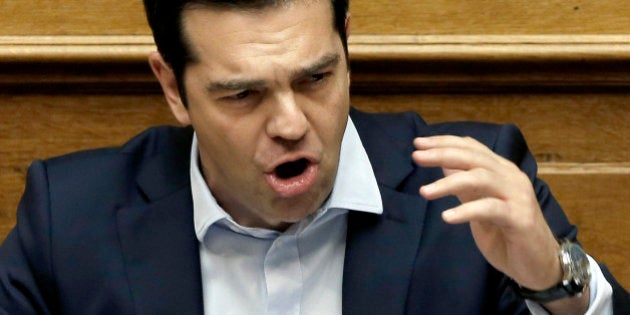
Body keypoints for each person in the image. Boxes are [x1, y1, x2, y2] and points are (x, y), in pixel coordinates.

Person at [0, 0, 628, 313]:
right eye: (242, 94)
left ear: (346, 46)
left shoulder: (470, 182)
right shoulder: (68, 220)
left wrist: (556, 282)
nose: (291, 124)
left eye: (315, 78)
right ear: (173, 87)